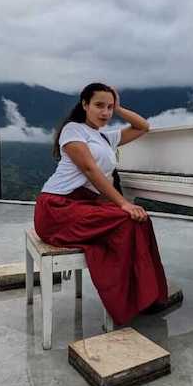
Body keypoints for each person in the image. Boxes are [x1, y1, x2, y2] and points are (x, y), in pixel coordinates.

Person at [34, 82, 169, 326]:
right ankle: (125, 300)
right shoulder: (73, 130)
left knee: (142, 220)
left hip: (80, 206)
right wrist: (123, 203)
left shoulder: (105, 137)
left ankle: (149, 297)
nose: (105, 112)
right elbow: (90, 169)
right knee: (127, 218)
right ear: (84, 105)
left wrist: (118, 107)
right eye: (98, 105)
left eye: (109, 107)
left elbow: (143, 127)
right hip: (56, 208)